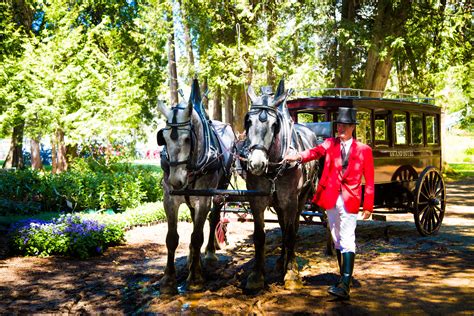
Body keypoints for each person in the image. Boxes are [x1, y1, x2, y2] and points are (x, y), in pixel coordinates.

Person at [285, 107, 374, 300]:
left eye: (343, 125)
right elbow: (314, 152)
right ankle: (343, 278)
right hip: (331, 198)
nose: (340, 128)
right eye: (338, 125)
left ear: (352, 127)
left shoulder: (364, 150)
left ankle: (345, 284)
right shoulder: (329, 144)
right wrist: (297, 156)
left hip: (350, 199)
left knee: (348, 237)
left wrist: (368, 205)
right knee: (337, 238)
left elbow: (370, 180)